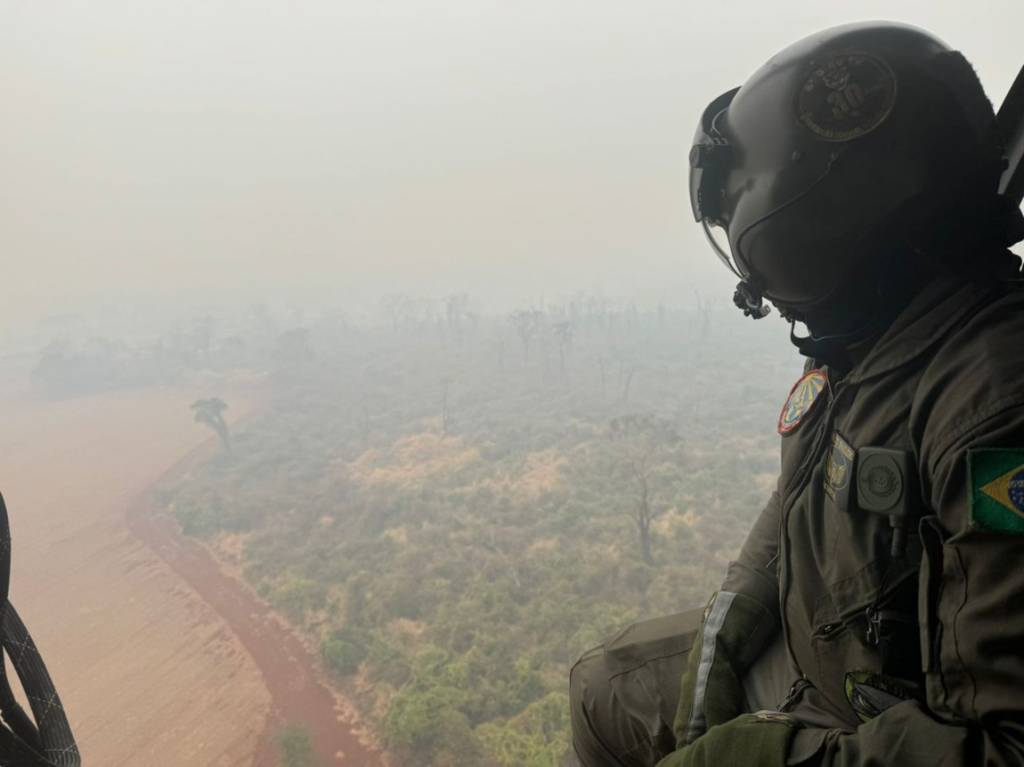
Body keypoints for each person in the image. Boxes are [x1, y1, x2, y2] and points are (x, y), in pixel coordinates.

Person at [569, 21, 1024, 767]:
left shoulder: (992, 402)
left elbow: (1005, 750)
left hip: (886, 721)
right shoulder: (883, 338)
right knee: (604, 686)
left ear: (812, 233)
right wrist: (736, 608)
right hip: (825, 663)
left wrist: (763, 753)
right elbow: (800, 491)